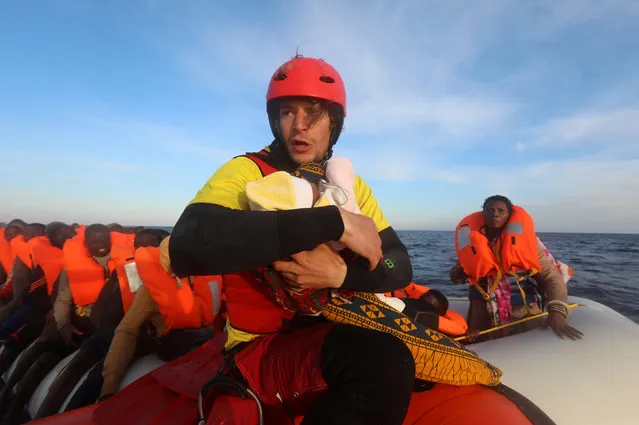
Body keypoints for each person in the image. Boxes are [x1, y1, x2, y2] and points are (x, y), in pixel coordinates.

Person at [165, 55, 417, 425]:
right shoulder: (247, 170)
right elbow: (188, 242)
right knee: (382, 362)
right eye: (287, 112)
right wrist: (334, 222)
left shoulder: (353, 187)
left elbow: (399, 264)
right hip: (260, 350)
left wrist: (341, 277)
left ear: (335, 122)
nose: (299, 126)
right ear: (274, 119)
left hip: (334, 330)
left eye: (313, 113)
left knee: (420, 318)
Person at [96, 230, 223, 403]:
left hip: (211, 340)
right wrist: (109, 386)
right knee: (92, 372)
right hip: (174, 343)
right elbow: (127, 330)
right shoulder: (150, 290)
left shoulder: (209, 277)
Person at [450, 195, 583, 341]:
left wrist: (557, 313)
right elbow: (457, 274)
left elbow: (550, 276)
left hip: (523, 311)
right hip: (484, 313)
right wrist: (459, 273)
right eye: (490, 210)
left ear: (509, 215)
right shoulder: (474, 241)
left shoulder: (528, 243)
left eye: (501, 211)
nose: (495, 214)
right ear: (483, 213)